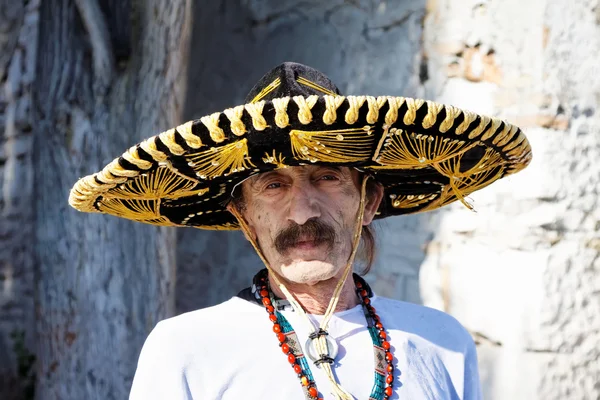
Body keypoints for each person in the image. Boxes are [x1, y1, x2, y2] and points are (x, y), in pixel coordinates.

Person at [69, 62, 532, 400]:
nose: (300, 212)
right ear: (244, 215)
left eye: (327, 178)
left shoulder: (442, 341)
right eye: (273, 186)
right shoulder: (185, 347)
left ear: (368, 202)